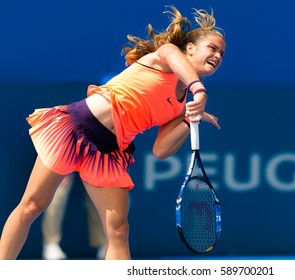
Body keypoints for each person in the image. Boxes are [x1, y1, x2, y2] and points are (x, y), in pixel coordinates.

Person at [0, 6, 225, 260]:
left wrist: (188, 119)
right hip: (75, 129)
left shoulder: (184, 103)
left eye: (222, 53)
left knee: (118, 230)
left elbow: (161, 150)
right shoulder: (165, 57)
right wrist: (200, 90)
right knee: (32, 206)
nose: (218, 55)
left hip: (109, 152)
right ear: (191, 49)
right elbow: (173, 53)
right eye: (213, 48)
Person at [41, 174, 106, 260]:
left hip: (94, 162)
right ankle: (50, 244)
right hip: (63, 161)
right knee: (58, 192)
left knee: (97, 192)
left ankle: (104, 243)